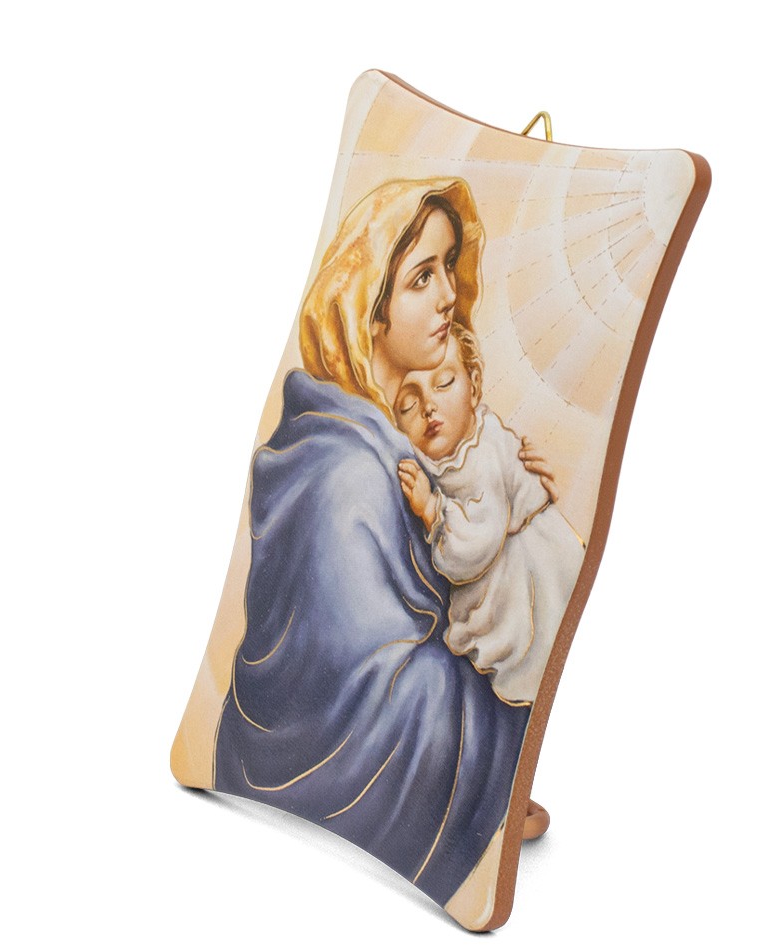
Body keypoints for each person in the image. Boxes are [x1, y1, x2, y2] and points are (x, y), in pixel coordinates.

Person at [213, 178, 555, 908]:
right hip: (339, 772)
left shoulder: (399, 434)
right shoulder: (345, 469)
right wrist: (504, 727)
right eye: (421, 277)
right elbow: (366, 705)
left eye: (448, 268)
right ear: (368, 307)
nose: (448, 296)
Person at [395, 324, 584, 704]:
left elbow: (475, 547)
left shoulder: (481, 456)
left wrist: (431, 509)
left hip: (527, 573)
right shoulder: (455, 451)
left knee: (534, 648)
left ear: (475, 385)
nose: (428, 406)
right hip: (516, 561)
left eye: (444, 383)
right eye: (409, 405)